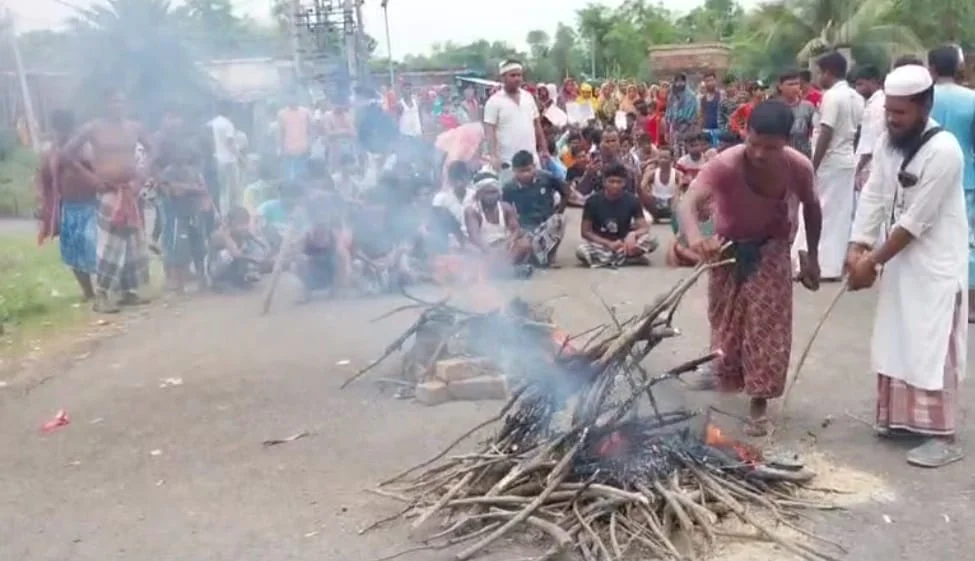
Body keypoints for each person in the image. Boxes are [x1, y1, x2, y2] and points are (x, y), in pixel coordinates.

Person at [846, 64, 967, 468]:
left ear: (925, 106)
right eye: (889, 111)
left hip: (934, 263)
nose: (892, 119)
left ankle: (942, 435)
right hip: (898, 261)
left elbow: (917, 221)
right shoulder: (888, 142)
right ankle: (901, 421)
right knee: (898, 335)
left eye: (901, 112)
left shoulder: (945, 151)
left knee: (930, 341)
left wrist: (871, 262)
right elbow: (874, 195)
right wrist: (857, 246)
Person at [677, 100, 822, 436]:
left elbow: (813, 209)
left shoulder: (798, 167)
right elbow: (688, 203)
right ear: (745, 132)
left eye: (770, 148)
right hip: (726, 247)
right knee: (724, 320)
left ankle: (760, 400)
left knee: (766, 326)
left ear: (786, 142)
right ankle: (725, 372)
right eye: (754, 143)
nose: (759, 154)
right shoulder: (726, 163)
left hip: (772, 246)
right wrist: (696, 238)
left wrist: (813, 256)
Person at [63, 89, 153, 314]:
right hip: (109, 191)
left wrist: (141, 176)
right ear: (104, 104)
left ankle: (128, 291)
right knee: (109, 243)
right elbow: (67, 154)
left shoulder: (134, 127)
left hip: (131, 190)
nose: (118, 106)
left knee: (131, 240)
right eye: (113, 102)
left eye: (121, 101)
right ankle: (102, 295)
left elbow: (153, 150)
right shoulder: (93, 128)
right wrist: (91, 178)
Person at [794, 51, 863, 281]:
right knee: (839, 215)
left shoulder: (832, 97)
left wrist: (812, 166)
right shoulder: (856, 97)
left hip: (829, 162)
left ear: (828, 73)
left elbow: (826, 131)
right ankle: (831, 265)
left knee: (816, 210)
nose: (817, 77)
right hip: (846, 160)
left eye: (819, 72)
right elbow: (858, 131)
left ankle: (812, 263)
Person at [927, 45, 975, 321]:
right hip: (966, 178)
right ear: (958, 67)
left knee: (929, 237)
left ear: (931, 68)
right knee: (967, 240)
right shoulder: (971, 99)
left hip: (927, 177)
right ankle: (968, 302)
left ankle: (936, 298)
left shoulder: (923, 98)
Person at [36, 109, 101, 301]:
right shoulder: (51, 152)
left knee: (94, 246)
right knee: (73, 252)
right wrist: (43, 202)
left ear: (73, 128)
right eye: (59, 129)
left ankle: (106, 287)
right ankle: (88, 292)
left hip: (92, 205)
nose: (62, 133)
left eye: (66, 128)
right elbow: (43, 177)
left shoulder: (85, 148)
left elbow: (98, 173)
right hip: (68, 208)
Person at [577, 163, 656, 268]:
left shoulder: (632, 200)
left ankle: (610, 260)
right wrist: (608, 243)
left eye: (619, 182)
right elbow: (586, 232)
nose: (615, 185)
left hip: (624, 243)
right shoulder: (592, 201)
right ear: (604, 182)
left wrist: (633, 234)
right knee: (581, 251)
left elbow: (644, 228)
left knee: (652, 240)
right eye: (611, 181)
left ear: (624, 183)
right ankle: (624, 259)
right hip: (601, 244)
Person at [483, 59, 550, 179]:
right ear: (503, 77)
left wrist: (544, 149)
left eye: (519, 75)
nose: (517, 79)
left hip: (531, 159)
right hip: (507, 161)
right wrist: (493, 155)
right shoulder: (493, 102)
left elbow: (537, 125)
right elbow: (489, 131)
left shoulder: (528, 97)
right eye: (513, 75)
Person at [503, 150, 568, 267]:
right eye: (521, 171)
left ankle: (551, 254)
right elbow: (505, 210)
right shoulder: (509, 188)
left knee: (559, 220)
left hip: (546, 224)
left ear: (534, 166)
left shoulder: (546, 177)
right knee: (517, 244)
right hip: (524, 227)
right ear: (514, 170)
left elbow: (566, 191)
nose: (525, 174)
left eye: (528, 170)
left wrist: (559, 211)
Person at [464, 174, 531, 275]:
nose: (491, 195)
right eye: (487, 192)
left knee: (525, 244)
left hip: (504, 246)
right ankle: (508, 271)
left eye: (494, 192)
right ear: (479, 194)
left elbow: (516, 229)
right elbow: (475, 237)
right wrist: (489, 250)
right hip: (484, 249)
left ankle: (504, 270)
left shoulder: (505, 207)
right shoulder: (472, 211)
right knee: (473, 253)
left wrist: (509, 242)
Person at [205, 206, 268, 290]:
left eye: (246, 223)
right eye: (241, 224)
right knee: (227, 254)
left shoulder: (244, 234)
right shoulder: (218, 235)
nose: (244, 227)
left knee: (252, 250)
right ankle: (220, 283)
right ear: (230, 223)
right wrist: (226, 236)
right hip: (217, 272)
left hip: (235, 270)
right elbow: (236, 254)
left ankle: (241, 279)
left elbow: (262, 247)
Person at [853, 64, 886, 193]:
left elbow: (870, 145)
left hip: (870, 167)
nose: (857, 90)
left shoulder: (876, 107)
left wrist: (858, 169)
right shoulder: (876, 103)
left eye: (860, 84)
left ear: (873, 82)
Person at [431, 161, 475, 248]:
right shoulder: (440, 198)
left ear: (467, 178)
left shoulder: (475, 195)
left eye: (462, 179)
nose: (459, 183)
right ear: (450, 180)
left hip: (474, 238)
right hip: (449, 240)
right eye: (456, 180)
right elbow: (435, 223)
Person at [777, 70, 817, 157]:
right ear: (780, 86)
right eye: (790, 84)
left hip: (803, 154)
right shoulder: (775, 107)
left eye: (797, 84)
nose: (794, 87)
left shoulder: (808, 107)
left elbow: (816, 130)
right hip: (781, 154)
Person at [208, 102, 239, 212]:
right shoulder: (228, 124)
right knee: (231, 189)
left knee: (220, 188)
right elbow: (230, 143)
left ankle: (220, 211)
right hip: (229, 160)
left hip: (216, 159)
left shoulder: (211, 123)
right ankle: (230, 212)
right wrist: (241, 158)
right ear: (230, 111)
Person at [278, 96, 313, 181]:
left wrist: (310, 144)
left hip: (303, 149)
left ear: (297, 99)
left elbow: (310, 130)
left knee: (302, 174)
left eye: (294, 97)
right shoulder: (282, 114)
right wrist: (281, 149)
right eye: (290, 97)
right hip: (288, 150)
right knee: (289, 175)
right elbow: (281, 132)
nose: (292, 100)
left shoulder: (306, 112)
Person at [641, 147, 680, 222]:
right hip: (655, 204)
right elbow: (641, 187)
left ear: (671, 159)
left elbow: (682, 189)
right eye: (660, 158)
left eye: (665, 158)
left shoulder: (677, 174)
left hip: (672, 204)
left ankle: (675, 217)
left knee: (678, 196)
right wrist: (647, 192)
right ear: (657, 159)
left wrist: (677, 192)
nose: (662, 160)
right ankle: (652, 216)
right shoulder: (651, 174)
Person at [664, 73, 699, 155]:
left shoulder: (691, 96)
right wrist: (667, 130)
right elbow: (668, 113)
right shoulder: (672, 96)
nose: (679, 84)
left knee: (686, 151)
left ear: (685, 82)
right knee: (675, 152)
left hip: (687, 128)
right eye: (677, 81)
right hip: (674, 128)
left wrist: (683, 127)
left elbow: (692, 115)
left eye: (681, 81)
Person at [698, 71, 724, 146]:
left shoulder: (721, 96)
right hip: (706, 130)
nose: (709, 83)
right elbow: (701, 116)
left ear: (715, 81)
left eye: (711, 80)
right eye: (707, 81)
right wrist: (700, 130)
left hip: (719, 131)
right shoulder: (702, 99)